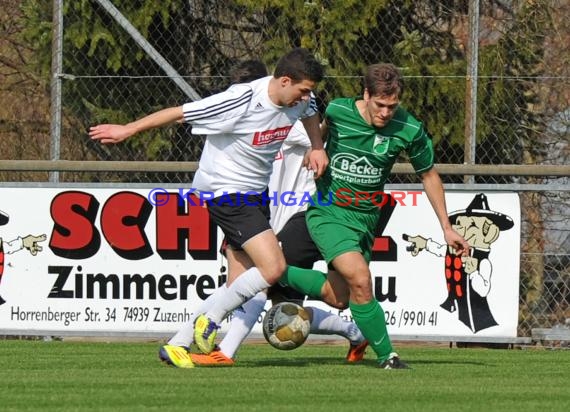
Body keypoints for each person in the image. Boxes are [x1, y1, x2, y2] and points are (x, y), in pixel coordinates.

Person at [90, 48, 329, 368]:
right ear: (284, 80)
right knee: (273, 269)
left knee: (242, 285)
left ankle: (177, 345)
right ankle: (211, 319)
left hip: (256, 195)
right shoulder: (241, 99)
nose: (307, 97)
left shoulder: (300, 100)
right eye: (303, 89)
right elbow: (180, 112)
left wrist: (316, 147)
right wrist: (128, 129)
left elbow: (311, 111)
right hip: (226, 193)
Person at [171, 60, 367, 366]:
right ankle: (181, 344)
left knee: (267, 293)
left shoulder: (288, 116)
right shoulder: (242, 116)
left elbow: (314, 116)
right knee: (269, 302)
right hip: (252, 211)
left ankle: (218, 351)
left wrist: (319, 143)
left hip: (295, 216)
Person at [281, 63, 471, 369]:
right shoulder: (339, 111)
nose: (385, 113)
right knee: (361, 277)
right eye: (380, 105)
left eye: (392, 106)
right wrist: (318, 148)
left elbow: (429, 176)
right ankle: (388, 357)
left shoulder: (409, 128)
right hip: (329, 211)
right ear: (366, 94)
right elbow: (316, 125)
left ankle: (272, 270)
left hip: (366, 220)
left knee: (340, 296)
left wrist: (447, 228)